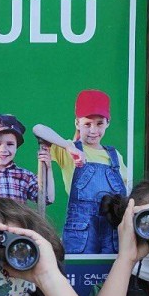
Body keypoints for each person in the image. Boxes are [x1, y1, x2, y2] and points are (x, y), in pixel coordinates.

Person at [34, 89, 130, 254]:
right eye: (87, 124)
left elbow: (127, 189)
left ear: (108, 123)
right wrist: (69, 146)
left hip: (112, 230)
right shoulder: (68, 150)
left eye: (99, 123)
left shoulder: (114, 155)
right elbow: (38, 129)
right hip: (80, 233)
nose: (93, 130)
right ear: (77, 123)